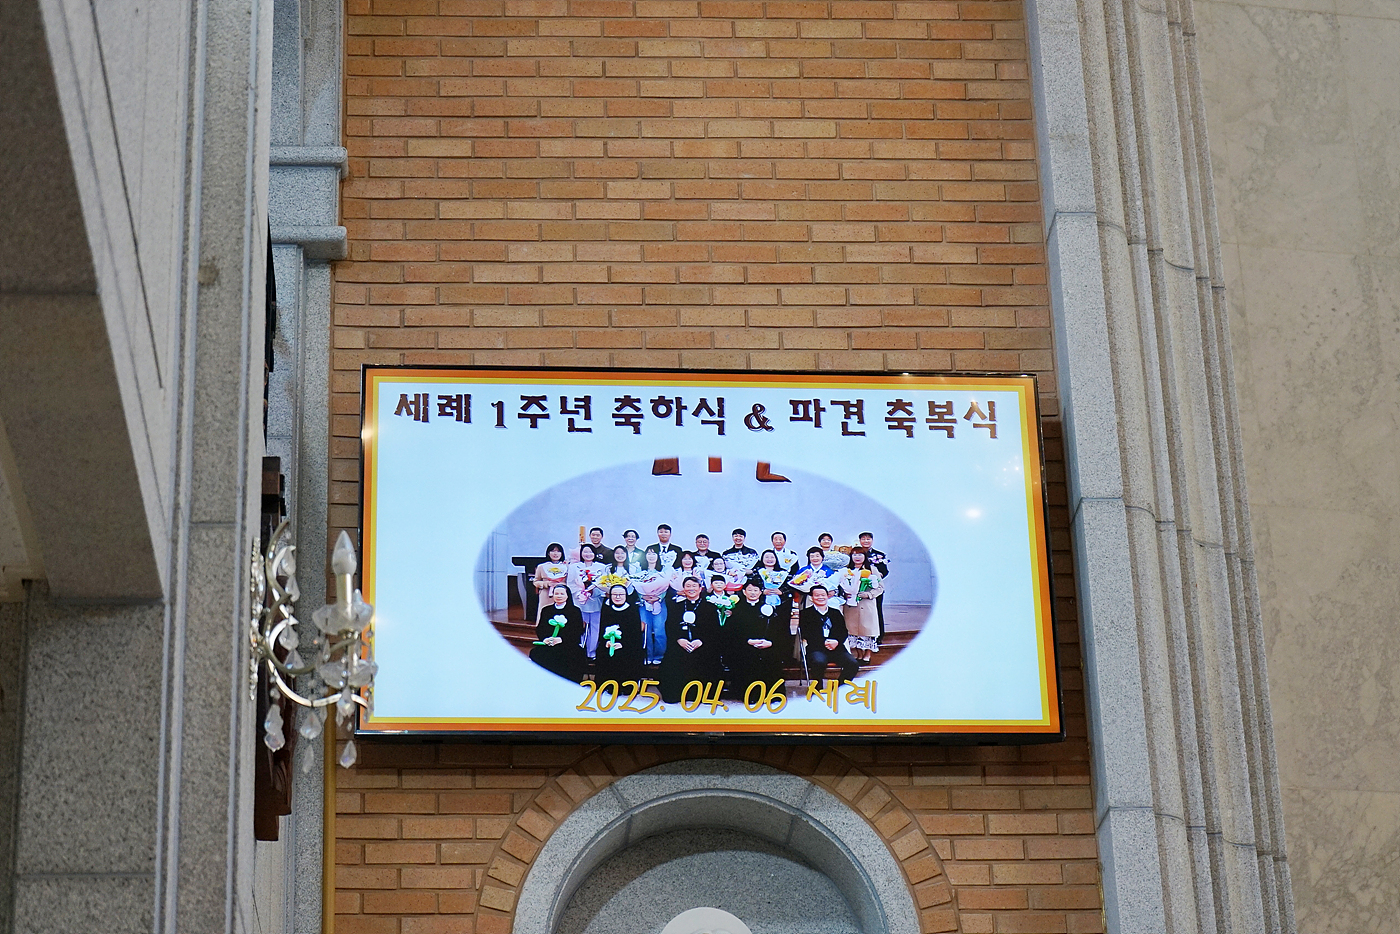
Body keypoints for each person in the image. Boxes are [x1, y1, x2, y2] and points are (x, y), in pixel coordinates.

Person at [659, 576, 722, 703]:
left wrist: (701, 640)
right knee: (671, 661)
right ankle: (676, 693)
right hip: (681, 644)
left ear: (700, 588)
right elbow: (670, 626)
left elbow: (714, 629)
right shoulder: (676, 606)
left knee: (709, 659)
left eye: (694, 586)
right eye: (688, 586)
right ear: (683, 589)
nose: (691, 589)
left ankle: (703, 694)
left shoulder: (710, 607)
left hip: (703, 645)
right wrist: (679, 640)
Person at [729, 579, 784, 693]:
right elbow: (732, 632)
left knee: (773, 657)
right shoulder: (737, 609)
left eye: (755, 590)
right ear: (744, 592)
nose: (753, 593)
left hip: (766, 645)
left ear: (760, 592)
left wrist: (770, 642)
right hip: (744, 645)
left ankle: (772, 693)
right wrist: (747, 641)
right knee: (744, 658)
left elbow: (778, 630)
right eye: (750, 590)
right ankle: (749, 693)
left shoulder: (768, 608)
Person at [799, 585, 859, 686]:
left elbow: (843, 631)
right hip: (816, 648)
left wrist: (836, 641)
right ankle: (818, 688)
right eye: (817, 595)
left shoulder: (835, 613)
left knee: (853, 663)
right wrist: (824, 642)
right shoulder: (805, 614)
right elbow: (806, 633)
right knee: (818, 662)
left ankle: (840, 686)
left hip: (837, 648)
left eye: (823, 595)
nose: (820, 597)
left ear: (827, 596)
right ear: (811, 598)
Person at [528, 584, 585, 682]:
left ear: (567, 596)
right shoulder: (546, 610)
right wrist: (545, 638)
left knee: (572, 656)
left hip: (568, 643)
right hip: (549, 643)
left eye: (562, 594)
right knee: (536, 653)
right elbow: (541, 628)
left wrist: (561, 639)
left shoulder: (575, 611)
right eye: (556, 593)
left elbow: (577, 630)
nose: (559, 596)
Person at [838, 548, 884, 662]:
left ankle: (867, 655)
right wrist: (845, 593)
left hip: (866, 605)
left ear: (864, 556)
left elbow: (880, 587)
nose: (857, 557)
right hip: (851, 606)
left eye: (860, 555)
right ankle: (859, 654)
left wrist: (869, 594)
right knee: (853, 630)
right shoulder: (847, 571)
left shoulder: (872, 569)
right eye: (854, 555)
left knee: (868, 630)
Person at [596, 584, 645, 686]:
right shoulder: (607, 609)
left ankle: (627, 686)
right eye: (614, 594)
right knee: (602, 652)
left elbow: (635, 634)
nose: (617, 597)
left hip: (629, 646)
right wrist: (607, 642)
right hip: (609, 644)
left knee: (627, 655)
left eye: (621, 594)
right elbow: (602, 629)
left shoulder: (632, 610)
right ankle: (607, 685)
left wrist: (623, 644)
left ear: (626, 595)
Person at [631, 547, 672, 666]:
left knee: (660, 630)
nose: (651, 556)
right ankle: (647, 655)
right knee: (646, 630)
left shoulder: (664, 571)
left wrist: (658, 597)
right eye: (648, 554)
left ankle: (659, 656)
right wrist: (643, 596)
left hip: (659, 603)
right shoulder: (639, 570)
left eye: (654, 554)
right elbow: (635, 584)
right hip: (643, 604)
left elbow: (667, 586)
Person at [567, 543, 608, 658]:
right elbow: (570, 583)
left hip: (596, 600)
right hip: (579, 601)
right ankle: (580, 650)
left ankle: (592, 652)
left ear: (594, 553)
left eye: (590, 552)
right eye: (585, 551)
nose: (588, 554)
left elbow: (604, 583)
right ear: (581, 554)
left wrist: (593, 592)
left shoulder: (601, 567)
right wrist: (580, 593)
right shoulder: (574, 567)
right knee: (580, 625)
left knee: (595, 626)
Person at [858, 531, 890, 642]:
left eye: (868, 539)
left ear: (872, 540)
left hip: (875, 588)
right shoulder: (856, 553)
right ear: (859, 541)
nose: (866, 541)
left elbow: (885, 571)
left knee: (877, 610)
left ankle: (879, 636)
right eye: (863, 539)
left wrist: (876, 577)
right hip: (859, 588)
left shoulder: (879, 555)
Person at [532, 543, 569, 623]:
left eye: (558, 551)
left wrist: (561, 586)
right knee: (545, 614)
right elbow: (535, 581)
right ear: (548, 553)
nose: (555, 553)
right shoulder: (541, 566)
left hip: (562, 594)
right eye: (553, 551)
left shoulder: (567, 566)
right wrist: (547, 584)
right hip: (546, 594)